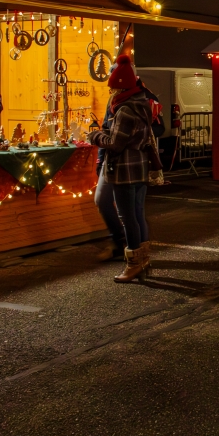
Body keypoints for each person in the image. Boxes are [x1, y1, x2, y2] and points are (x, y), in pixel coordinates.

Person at [87, 55, 158, 283]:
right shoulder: (142, 103)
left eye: (112, 88)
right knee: (137, 215)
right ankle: (143, 258)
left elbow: (116, 144)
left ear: (118, 87)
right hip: (139, 167)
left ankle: (133, 264)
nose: (111, 92)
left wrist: (96, 135)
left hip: (125, 170)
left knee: (127, 217)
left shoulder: (125, 109)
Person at [94, 74, 165, 261]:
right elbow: (107, 127)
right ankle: (133, 251)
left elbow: (117, 140)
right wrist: (101, 160)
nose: (111, 91)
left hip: (126, 164)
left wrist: (97, 137)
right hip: (120, 163)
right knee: (116, 207)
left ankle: (135, 257)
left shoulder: (137, 102)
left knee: (131, 214)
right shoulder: (118, 102)